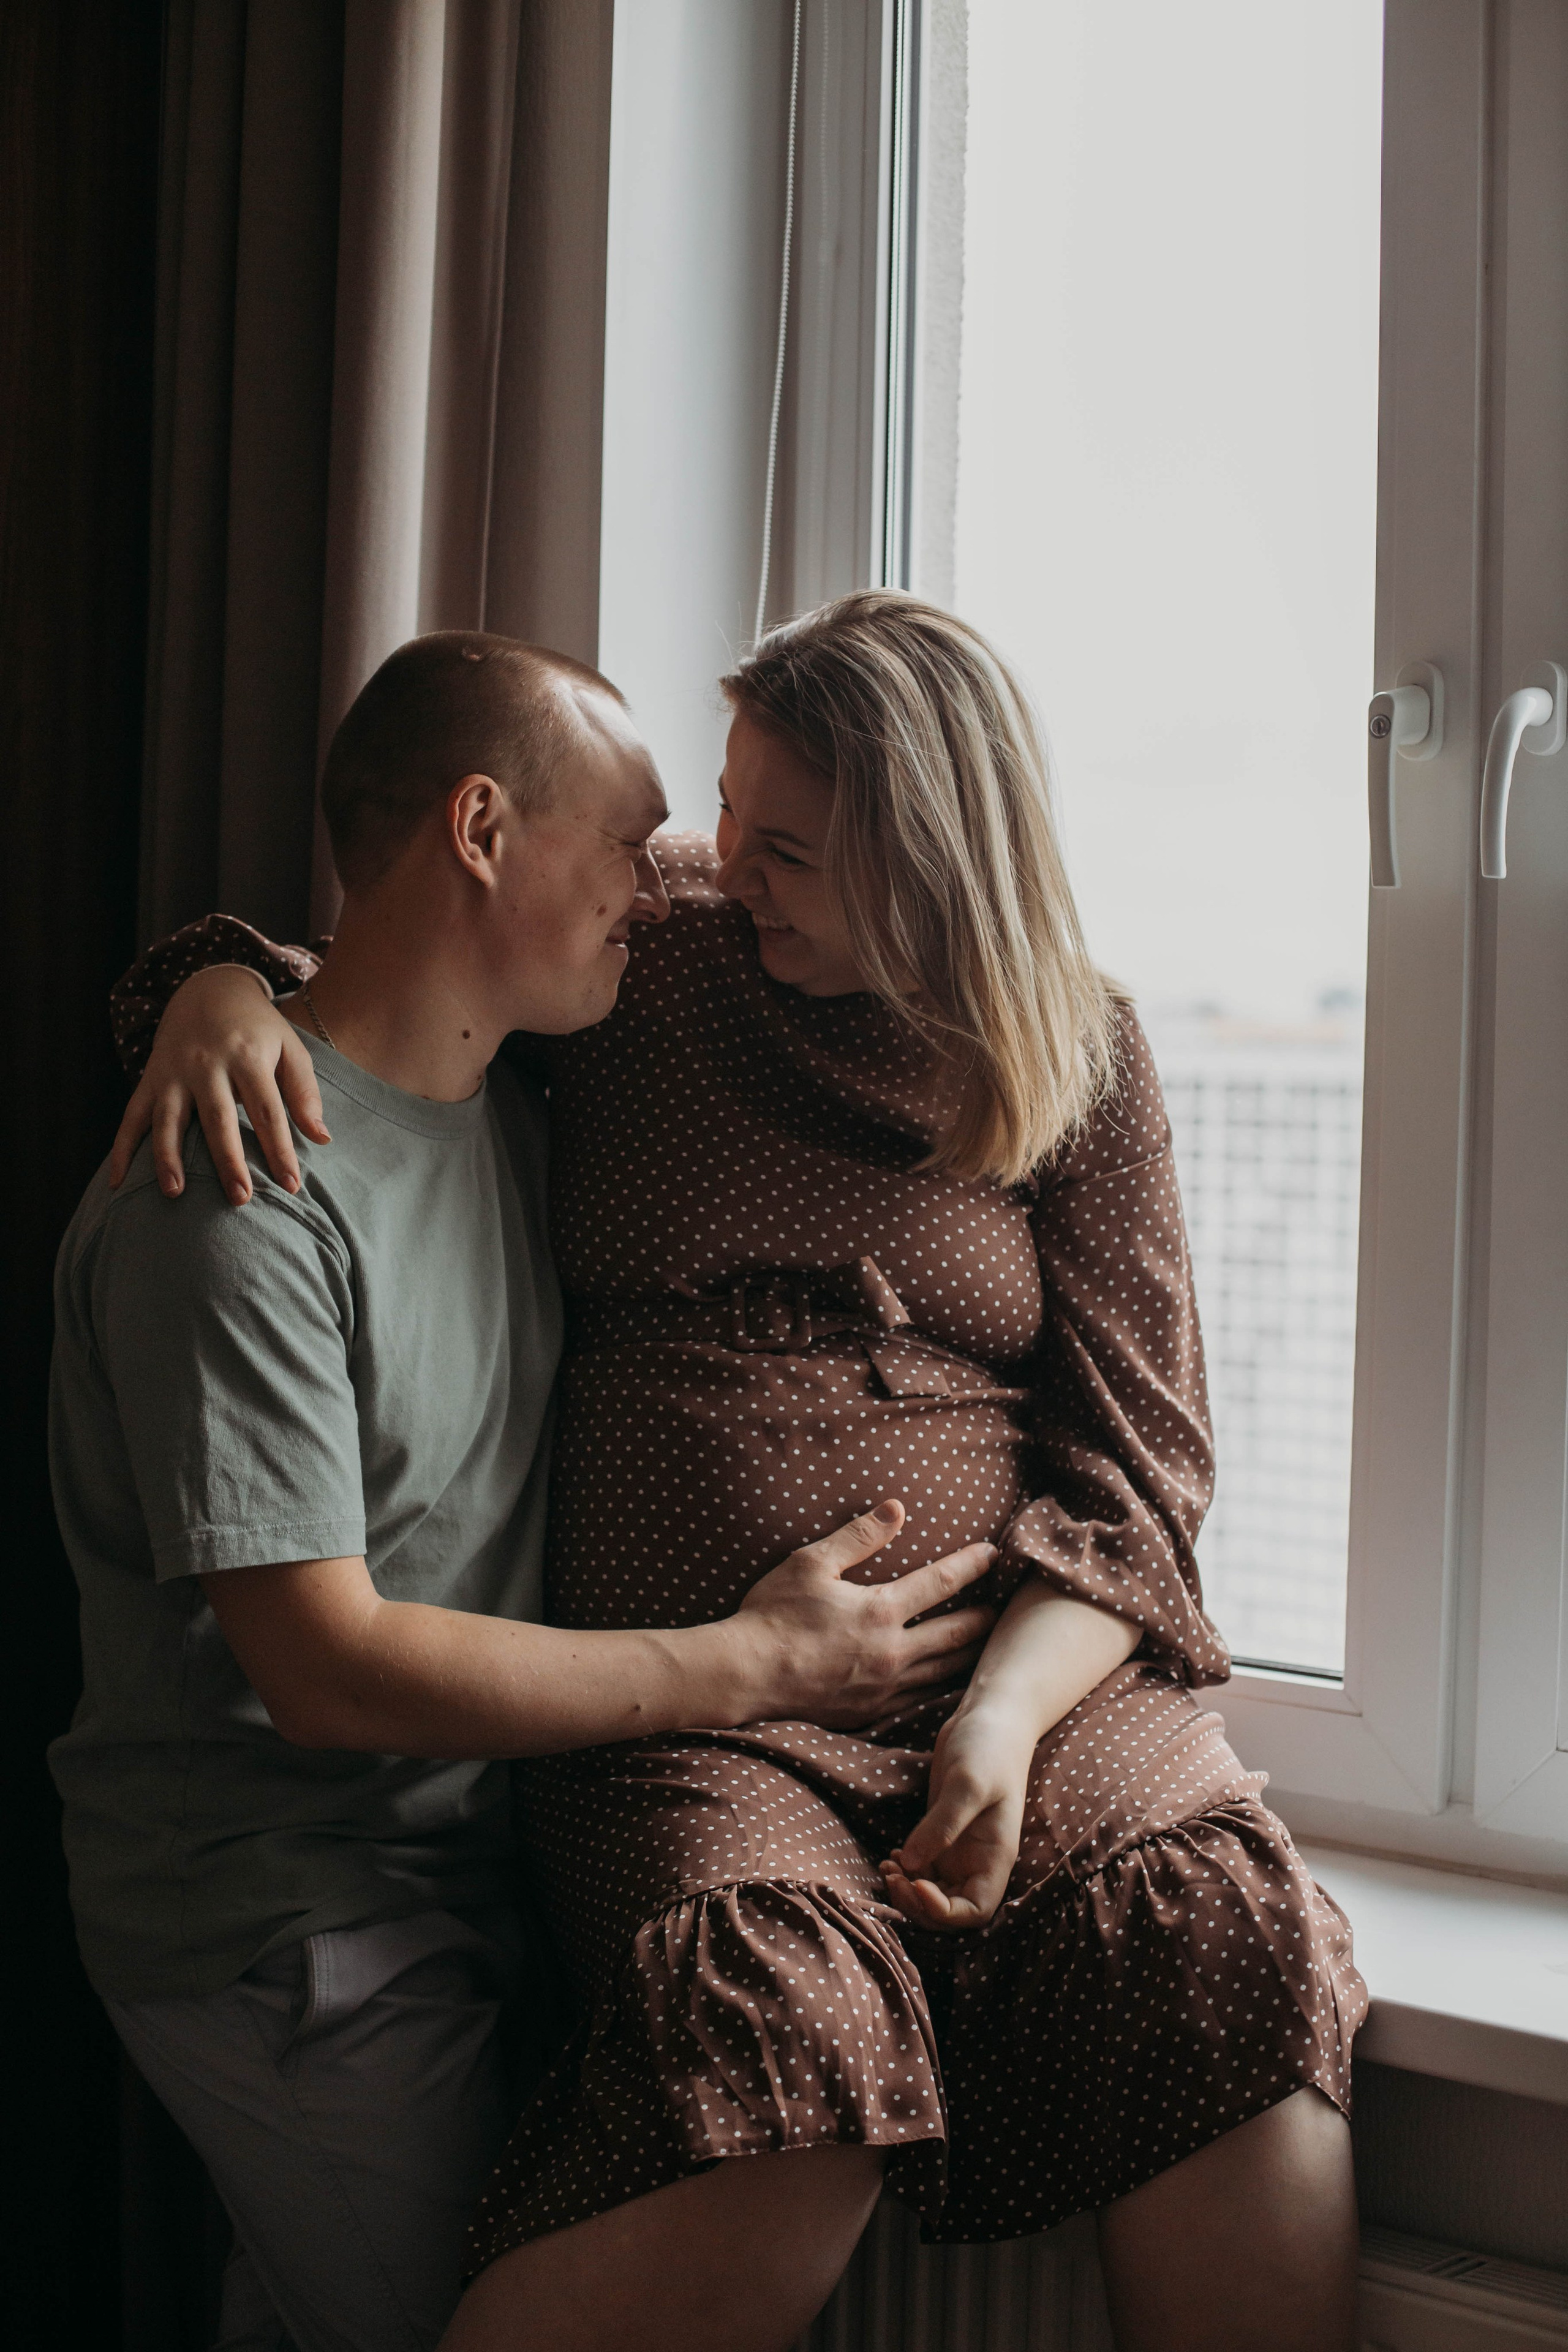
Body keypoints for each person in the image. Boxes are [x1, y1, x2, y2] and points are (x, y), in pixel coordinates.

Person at [113, 594, 1367, 2352]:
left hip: (1035, 1683)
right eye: (721, 814)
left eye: (783, 847)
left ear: (932, 861)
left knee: (1221, 1942)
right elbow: (412, 960)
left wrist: (995, 1724)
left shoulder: (1079, 1053)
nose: (716, 866)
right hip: (696, 1712)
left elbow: (1141, 1471)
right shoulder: (660, 963)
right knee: (774, 2039)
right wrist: (217, 986)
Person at [50, 631, 997, 2352]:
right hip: (287, 1920)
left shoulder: (524, 1109)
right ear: (483, 830)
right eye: (633, 848)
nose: (668, 894)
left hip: (475, 1875)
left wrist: (217, 976)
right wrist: (759, 1663)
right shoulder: (238, 1190)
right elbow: (327, 1674)